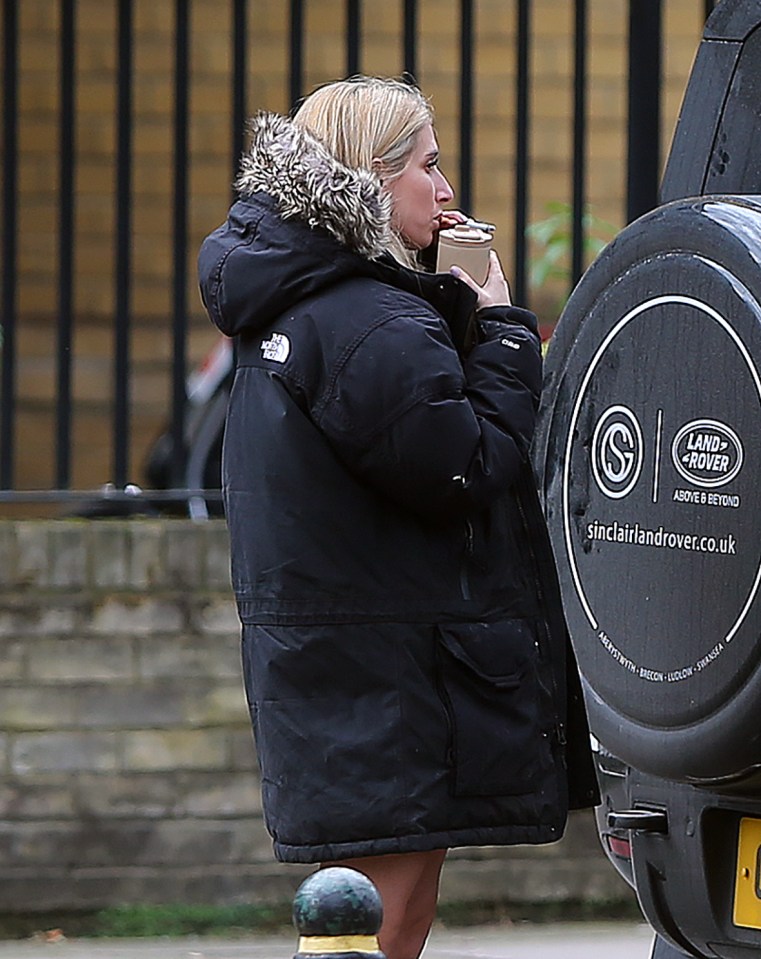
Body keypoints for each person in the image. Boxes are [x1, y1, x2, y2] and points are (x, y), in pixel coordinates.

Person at [198, 75, 598, 959]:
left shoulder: (311, 300)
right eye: (429, 165)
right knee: (384, 923)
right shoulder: (368, 318)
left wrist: (448, 309)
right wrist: (495, 329)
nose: (447, 190)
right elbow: (464, 465)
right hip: (394, 674)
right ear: (372, 180)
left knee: (373, 919)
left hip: (352, 660)